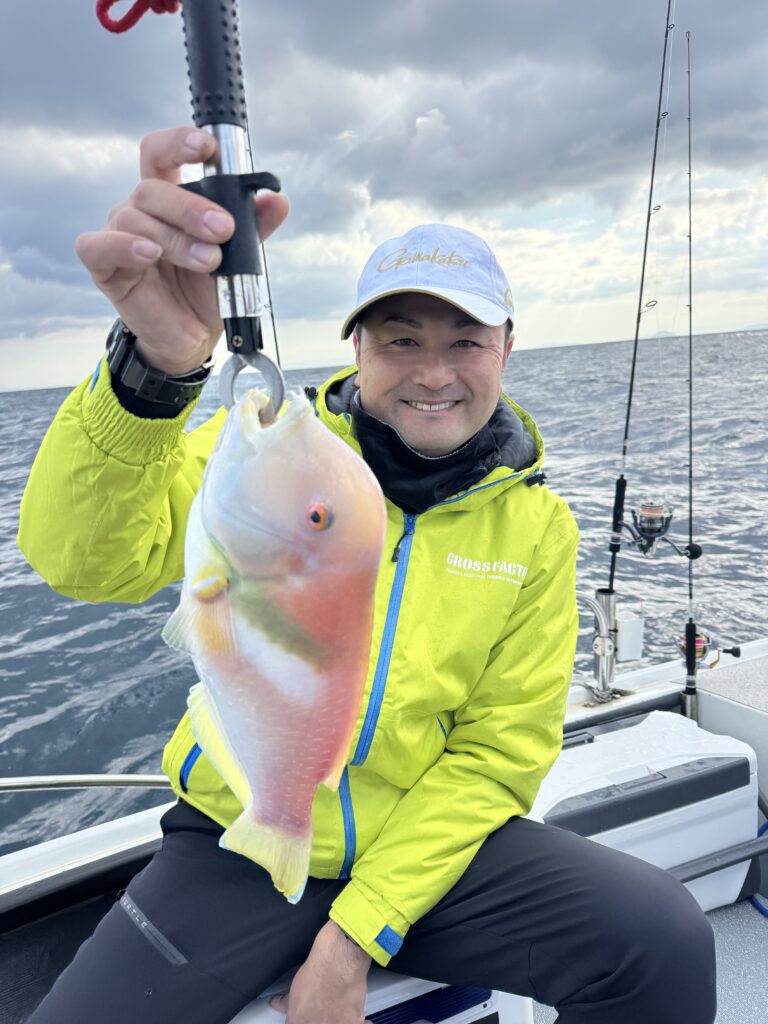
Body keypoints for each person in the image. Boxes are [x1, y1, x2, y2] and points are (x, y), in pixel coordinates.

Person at [17, 126, 716, 1024]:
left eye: (466, 341)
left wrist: (357, 931)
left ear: (507, 346)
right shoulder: (272, 455)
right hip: (240, 832)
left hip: (427, 853)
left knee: (662, 939)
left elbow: (498, 754)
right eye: (401, 339)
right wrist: (152, 371)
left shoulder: (537, 529)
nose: (434, 373)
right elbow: (85, 561)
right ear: (356, 348)